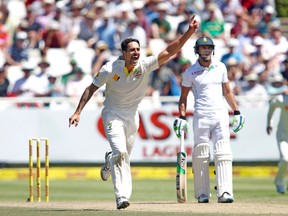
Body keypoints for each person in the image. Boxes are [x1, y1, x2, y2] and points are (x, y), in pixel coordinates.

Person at [69, 15, 199, 210]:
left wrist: (190, 31)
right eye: (132, 50)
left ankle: (108, 161)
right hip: (112, 113)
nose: (136, 53)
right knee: (120, 153)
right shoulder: (109, 69)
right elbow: (90, 89)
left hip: (132, 114)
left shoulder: (144, 66)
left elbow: (171, 50)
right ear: (124, 53)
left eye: (138, 49)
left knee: (123, 155)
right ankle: (121, 197)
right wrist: (78, 112)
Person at [173, 36, 245, 204]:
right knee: (201, 155)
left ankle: (225, 191)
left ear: (212, 49)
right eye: (202, 47)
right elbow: (183, 97)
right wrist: (182, 117)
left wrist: (237, 111)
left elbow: (227, 91)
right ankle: (202, 194)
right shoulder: (190, 72)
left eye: (208, 47)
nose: (205, 50)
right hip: (201, 117)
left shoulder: (220, 67)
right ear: (196, 50)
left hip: (220, 115)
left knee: (223, 153)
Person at [266, 87, 288, 194]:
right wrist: (269, 123)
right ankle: (279, 183)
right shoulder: (282, 99)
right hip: (283, 135)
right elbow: (271, 107)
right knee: (285, 159)